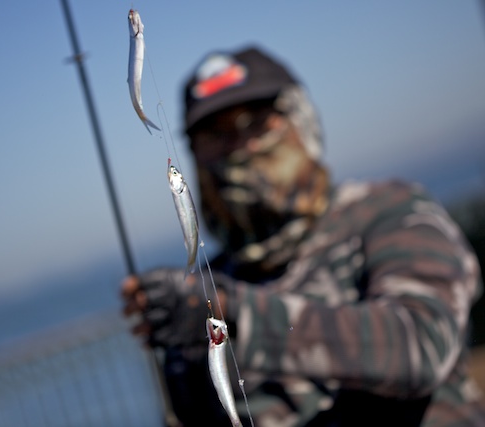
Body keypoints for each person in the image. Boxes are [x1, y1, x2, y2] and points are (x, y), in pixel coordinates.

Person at [121, 45, 485, 426]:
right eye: (216, 136)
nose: (241, 148)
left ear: (300, 119)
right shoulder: (203, 298)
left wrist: (235, 315)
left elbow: (421, 346)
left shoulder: (389, 212)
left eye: (258, 122)